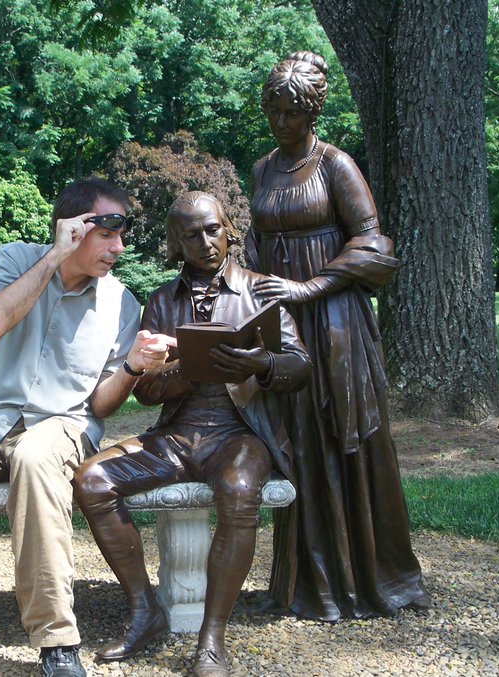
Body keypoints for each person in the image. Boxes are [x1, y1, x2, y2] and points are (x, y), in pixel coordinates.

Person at [0, 178, 173, 677]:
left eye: (123, 233)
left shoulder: (121, 304)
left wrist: (132, 366)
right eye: (108, 231)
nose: (119, 246)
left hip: (63, 424)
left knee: (34, 458)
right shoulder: (17, 258)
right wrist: (52, 259)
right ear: (71, 227)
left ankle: (56, 640)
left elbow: (102, 406)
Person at [72, 191, 311, 677]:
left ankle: (211, 639)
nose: (205, 242)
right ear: (175, 245)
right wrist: (187, 369)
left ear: (229, 230)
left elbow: (300, 365)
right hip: (177, 436)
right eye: (190, 235)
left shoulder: (260, 290)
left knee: (239, 489)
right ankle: (145, 610)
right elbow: (148, 393)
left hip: (239, 434)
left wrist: (261, 363)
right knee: (91, 480)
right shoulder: (161, 301)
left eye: (211, 229)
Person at [248, 52, 432, 621]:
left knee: (345, 438)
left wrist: (308, 287)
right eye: (273, 111)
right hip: (281, 323)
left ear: (312, 112)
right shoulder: (261, 169)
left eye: (291, 113)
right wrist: (250, 281)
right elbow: (254, 241)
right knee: (297, 440)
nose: (281, 123)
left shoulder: (335, 165)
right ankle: (306, 583)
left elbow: (374, 245)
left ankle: (376, 579)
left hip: (335, 324)